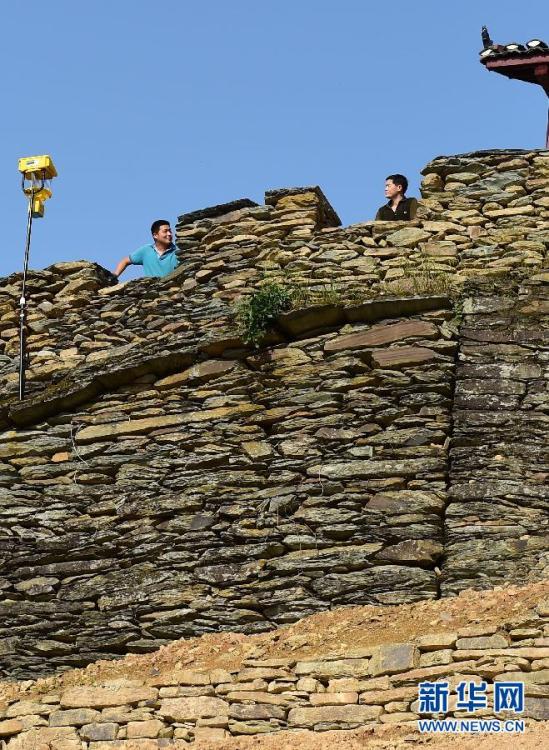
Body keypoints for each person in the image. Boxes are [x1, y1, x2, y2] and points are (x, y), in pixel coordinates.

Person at [113, 220, 179, 279]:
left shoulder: (178, 252)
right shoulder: (146, 250)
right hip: (152, 288)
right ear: (155, 235)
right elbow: (125, 261)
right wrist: (114, 276)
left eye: (170, 231)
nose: (169, 234)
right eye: (165, 231)